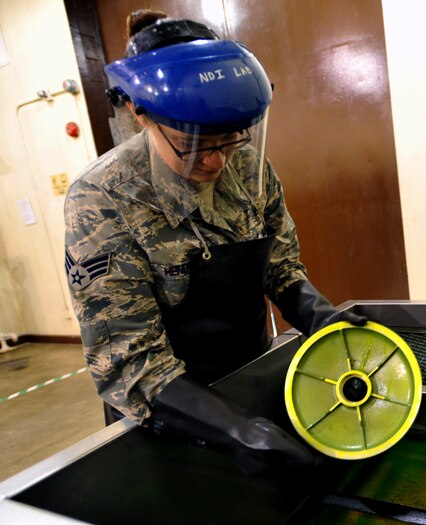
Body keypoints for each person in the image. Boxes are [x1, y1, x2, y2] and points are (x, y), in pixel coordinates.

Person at [64, 10, 365, 475]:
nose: (216, 161)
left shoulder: (246, 167)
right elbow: (130, 363)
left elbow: (280, 266)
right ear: (139, 114)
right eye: (194, 142)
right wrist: (235, 429)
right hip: (167, 411)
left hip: (249, 375)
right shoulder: (103, 198)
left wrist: (319, 315)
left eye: (229, 140)